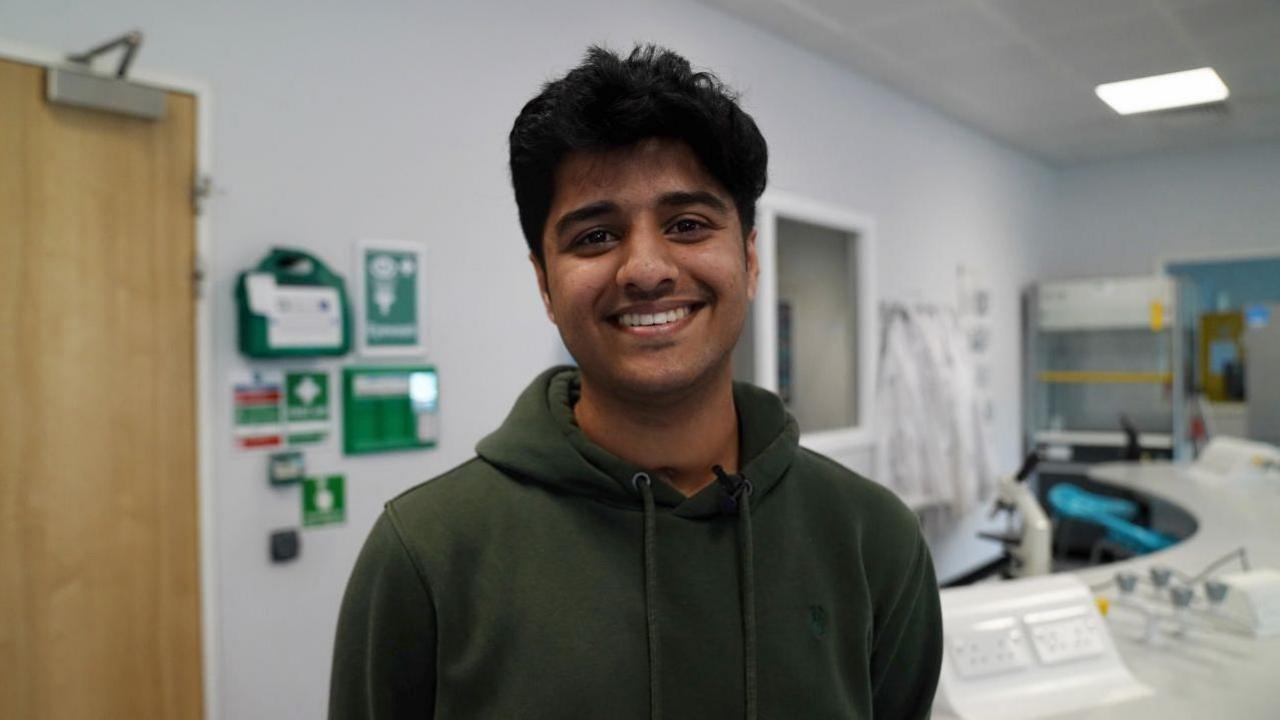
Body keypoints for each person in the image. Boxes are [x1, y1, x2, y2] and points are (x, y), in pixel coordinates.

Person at [330, 44, 942, 719]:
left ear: (747, 257)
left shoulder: (869, 538)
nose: (645, 268)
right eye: (595, 237)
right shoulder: (427, 555)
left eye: (687, 225)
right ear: (544, 281)